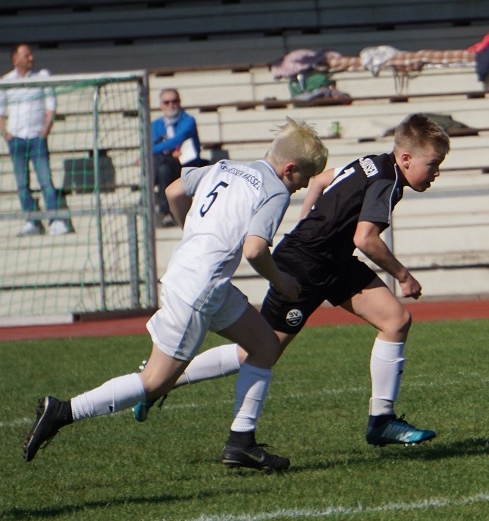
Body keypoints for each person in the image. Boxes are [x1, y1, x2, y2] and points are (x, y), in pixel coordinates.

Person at [22, 118, 328, 473]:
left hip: (194, 274)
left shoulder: (224, 167)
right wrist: (281, 281)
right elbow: (255, 249)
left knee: (265, 346)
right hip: (200, 287)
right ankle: (63, 411)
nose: (303, 186)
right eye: (304, 178)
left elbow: (173, 191)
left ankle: (241, 443)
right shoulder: (275, 190)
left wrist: (195, 233)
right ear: (289, 169)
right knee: (155, 381)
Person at [133, 113, 448, 449]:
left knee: (396, 320)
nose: (436, 172)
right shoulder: (387, 181)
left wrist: (306, 220)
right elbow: (365, 238)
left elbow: (320, 180)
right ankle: (163, 380)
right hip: (304, 266)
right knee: (258, 351)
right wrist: (404, 276)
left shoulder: (372, 162)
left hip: (333, 261)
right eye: (432, 164)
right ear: (406, 158)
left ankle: (382, 420)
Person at [0, 43, 74, 237]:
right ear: (15, 59)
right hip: (16, 139)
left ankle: (55, 220)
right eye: (26, 55)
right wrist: (7, 135)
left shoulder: (42, 76)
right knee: (22, 183)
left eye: (31, 54)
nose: (31, 58)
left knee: (46, 180)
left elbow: (51, 106)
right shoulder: (6, 81)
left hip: (37, 137)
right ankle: (32, 222)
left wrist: (45, 130)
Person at [152, 88, 204, 227]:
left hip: (186, 165)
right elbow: (153, 144)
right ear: (161, 105)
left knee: (157, 160)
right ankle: (166, 213)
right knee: (163, 168)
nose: (171, 105)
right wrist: (168, 153)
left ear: (180, 102)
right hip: (167, 167)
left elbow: (177, 139)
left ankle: (151, 187)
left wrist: (157, 150)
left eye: (174, 101)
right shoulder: (155, 125)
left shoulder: (188, 121)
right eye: (167, 102)